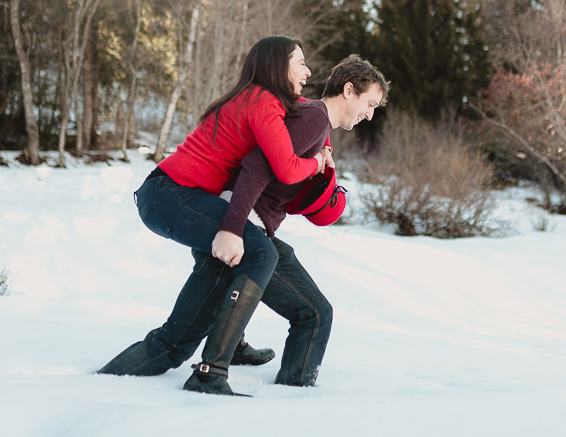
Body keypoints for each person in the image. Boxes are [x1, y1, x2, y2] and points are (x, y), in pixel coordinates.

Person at [99, 55, 389, 395]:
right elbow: (256, 167)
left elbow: (283, 184)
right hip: (238, 228)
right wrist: (234, 227)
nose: (369, 114)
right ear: (349, 90)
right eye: (369, 103)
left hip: (248, 227)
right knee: (177, 343)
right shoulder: (314, 118)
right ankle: (268, 392)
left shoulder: (315, 125)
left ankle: (291, 396)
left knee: (311, 313)